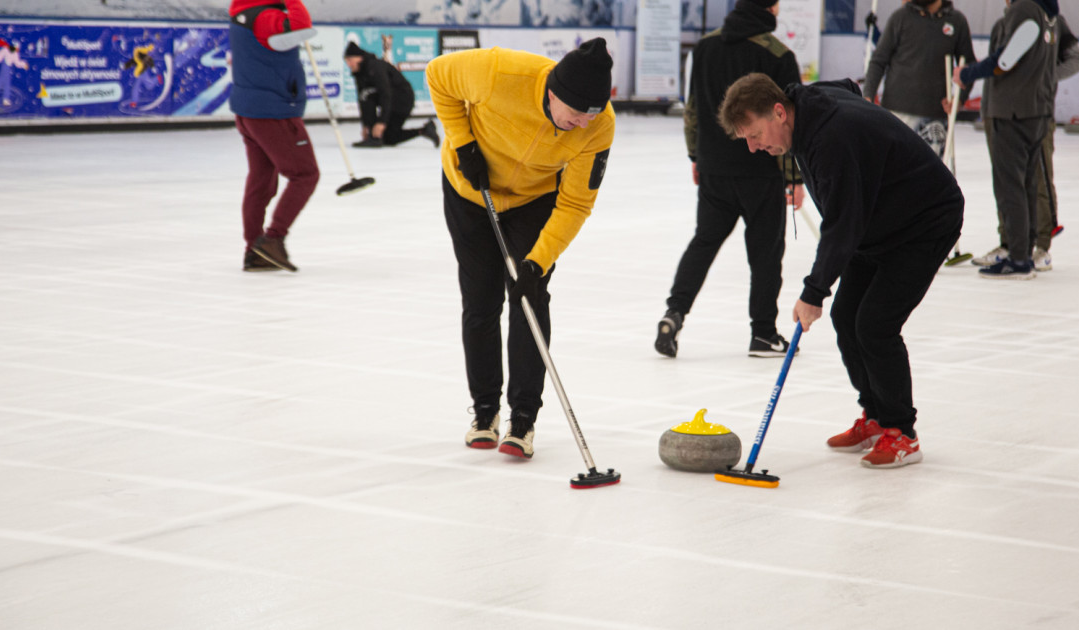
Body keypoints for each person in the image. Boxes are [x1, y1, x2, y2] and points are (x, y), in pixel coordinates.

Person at [718, 73, 963, 468]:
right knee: (846, 316)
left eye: (755, 135)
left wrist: (813, 291)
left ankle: (902, 432)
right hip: (877, 220)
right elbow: (848, 87)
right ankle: (876, 416)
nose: (753, 147)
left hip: (925, 220)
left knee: (875, 324)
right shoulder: (806, 103)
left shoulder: (831, 139)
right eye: (746, 139)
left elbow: (841, 225)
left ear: (779, 112)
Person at [426, 39, 615, 459]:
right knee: (481, 300)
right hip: (470, 191)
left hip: (534, 199)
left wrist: (538, 262)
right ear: (553, 93)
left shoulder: (598, 125)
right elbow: (438, 75)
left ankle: (523, 418)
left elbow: (576, 202)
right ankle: (485, 412)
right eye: (577, 113)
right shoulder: (499, 72)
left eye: (592, 114)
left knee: (530, 297)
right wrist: (462, 141)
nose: (584, 123)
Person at [654, 0, 802, 360]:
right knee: (765, 254)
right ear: (771, 7)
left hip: (714, 169)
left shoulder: (705, 48)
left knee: (704, 242)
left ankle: (675, 312)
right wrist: (795, 176)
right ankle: (763, 333)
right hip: (762, 171)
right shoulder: (778, 55)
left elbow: (692, 109)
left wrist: (695, 155)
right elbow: (789, 122)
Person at [954, 0, 1060, 280]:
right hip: (1036, 111)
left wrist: (967, 73)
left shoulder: (1024, 10)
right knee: (1026, 184)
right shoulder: (1047, 14)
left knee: (1011, 185)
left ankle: (1018, 258)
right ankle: (1022, 252)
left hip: (1012, 112)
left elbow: (1005, 60)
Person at [974, 11, 1079, 271]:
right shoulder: (1003, 22)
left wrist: (1043, 76)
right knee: (1006, 181)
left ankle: (1041, 246)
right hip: (998, 112)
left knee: (1038, 178)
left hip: (1035, 112)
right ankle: (1010, 243)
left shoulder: (1052, 21)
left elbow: (1077, 59)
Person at [228, 0, 320, 272]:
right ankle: (272, 240)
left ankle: (255, 250)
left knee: (261, 181)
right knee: (305, 174)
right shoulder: (266, 17)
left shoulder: (244, 13)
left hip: (250, 111)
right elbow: (301, 25)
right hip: (274, 112)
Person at [862, 0, 975, 157]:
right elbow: (878, 61)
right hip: (896, 112)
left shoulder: (956, 21)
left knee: (930, 170)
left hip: (935, 116)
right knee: (894, 168)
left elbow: (969, 66)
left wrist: (960, 99)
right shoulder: (900, 17)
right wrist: (867, 96)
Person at [344, 41, 439, 149]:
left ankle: (374, 137)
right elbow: (361, 98)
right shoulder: (358, 73)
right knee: (389, 138)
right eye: (346, 61)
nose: (348, 64)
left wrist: (381, 122)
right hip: (389, 99)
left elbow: (386, 94)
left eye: (350, 60)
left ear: (359, 57)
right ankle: (424, 130)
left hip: (403, 99)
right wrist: (365, 125)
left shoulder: (375, 67)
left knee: (369, 97)